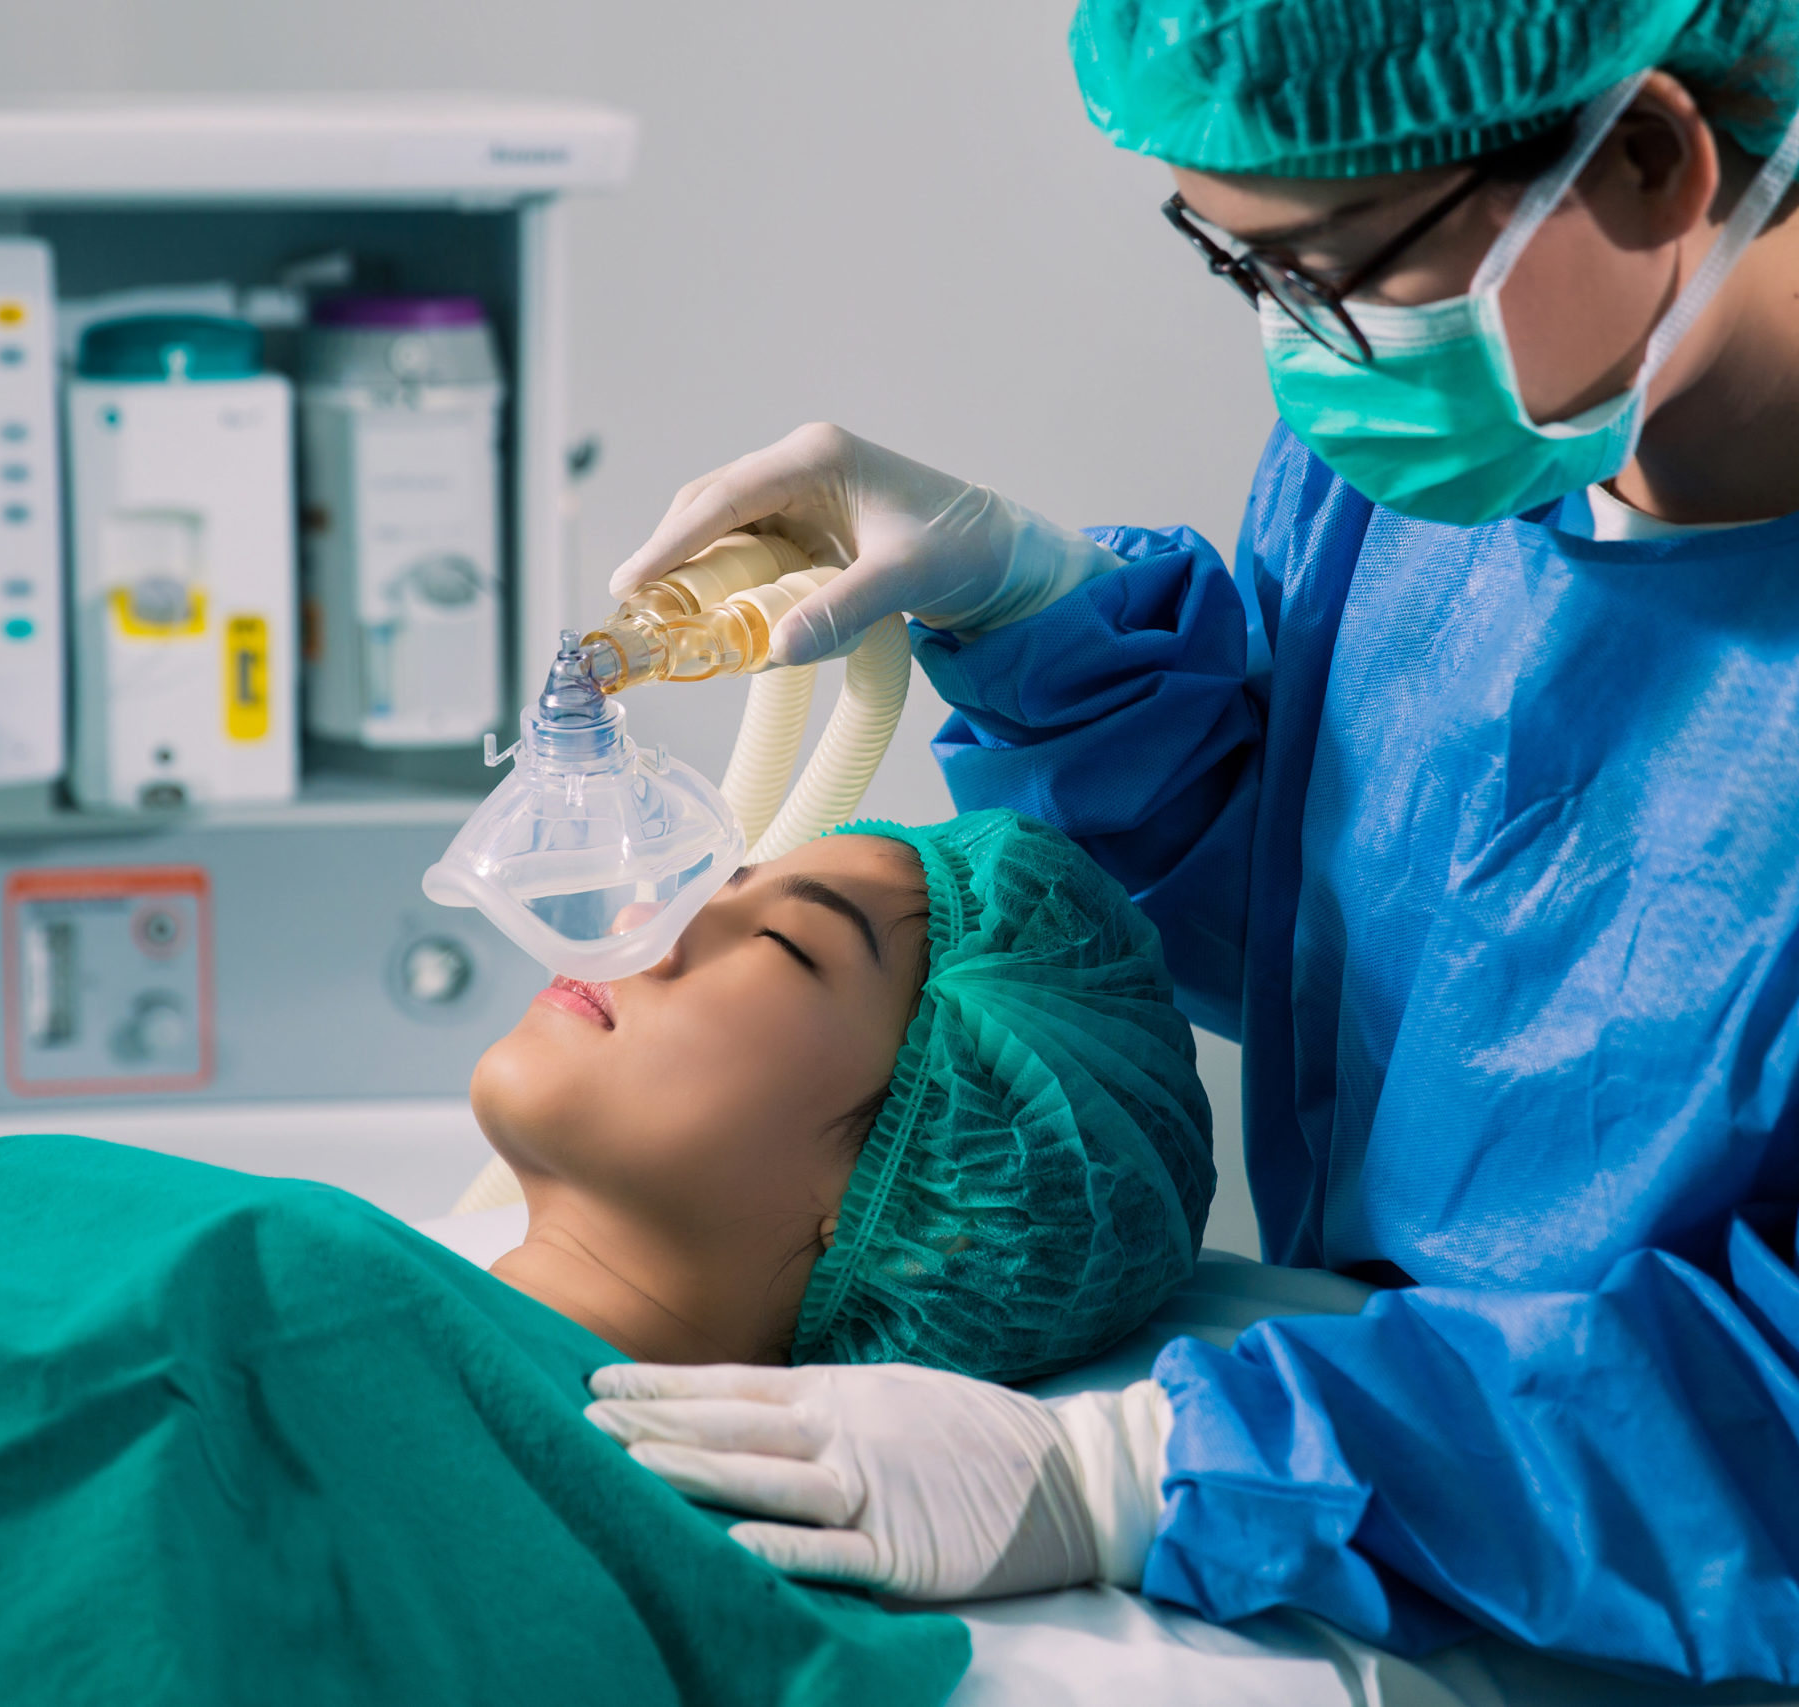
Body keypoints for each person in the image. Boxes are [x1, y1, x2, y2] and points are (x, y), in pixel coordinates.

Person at [582, 0, 1799, 1686]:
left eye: (1330, 269)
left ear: (1651, 160)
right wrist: (1035, 618)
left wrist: (1180, 1466)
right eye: (1239, 269)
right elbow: (1371, 927)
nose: (1300, 352)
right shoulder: (1441, 460)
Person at [0, 815, 1209, 1703]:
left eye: (779, 949)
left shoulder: (348, 1360)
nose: (653, 926)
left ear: (877, 1198)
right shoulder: (328, 1284)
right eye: (716, 883)